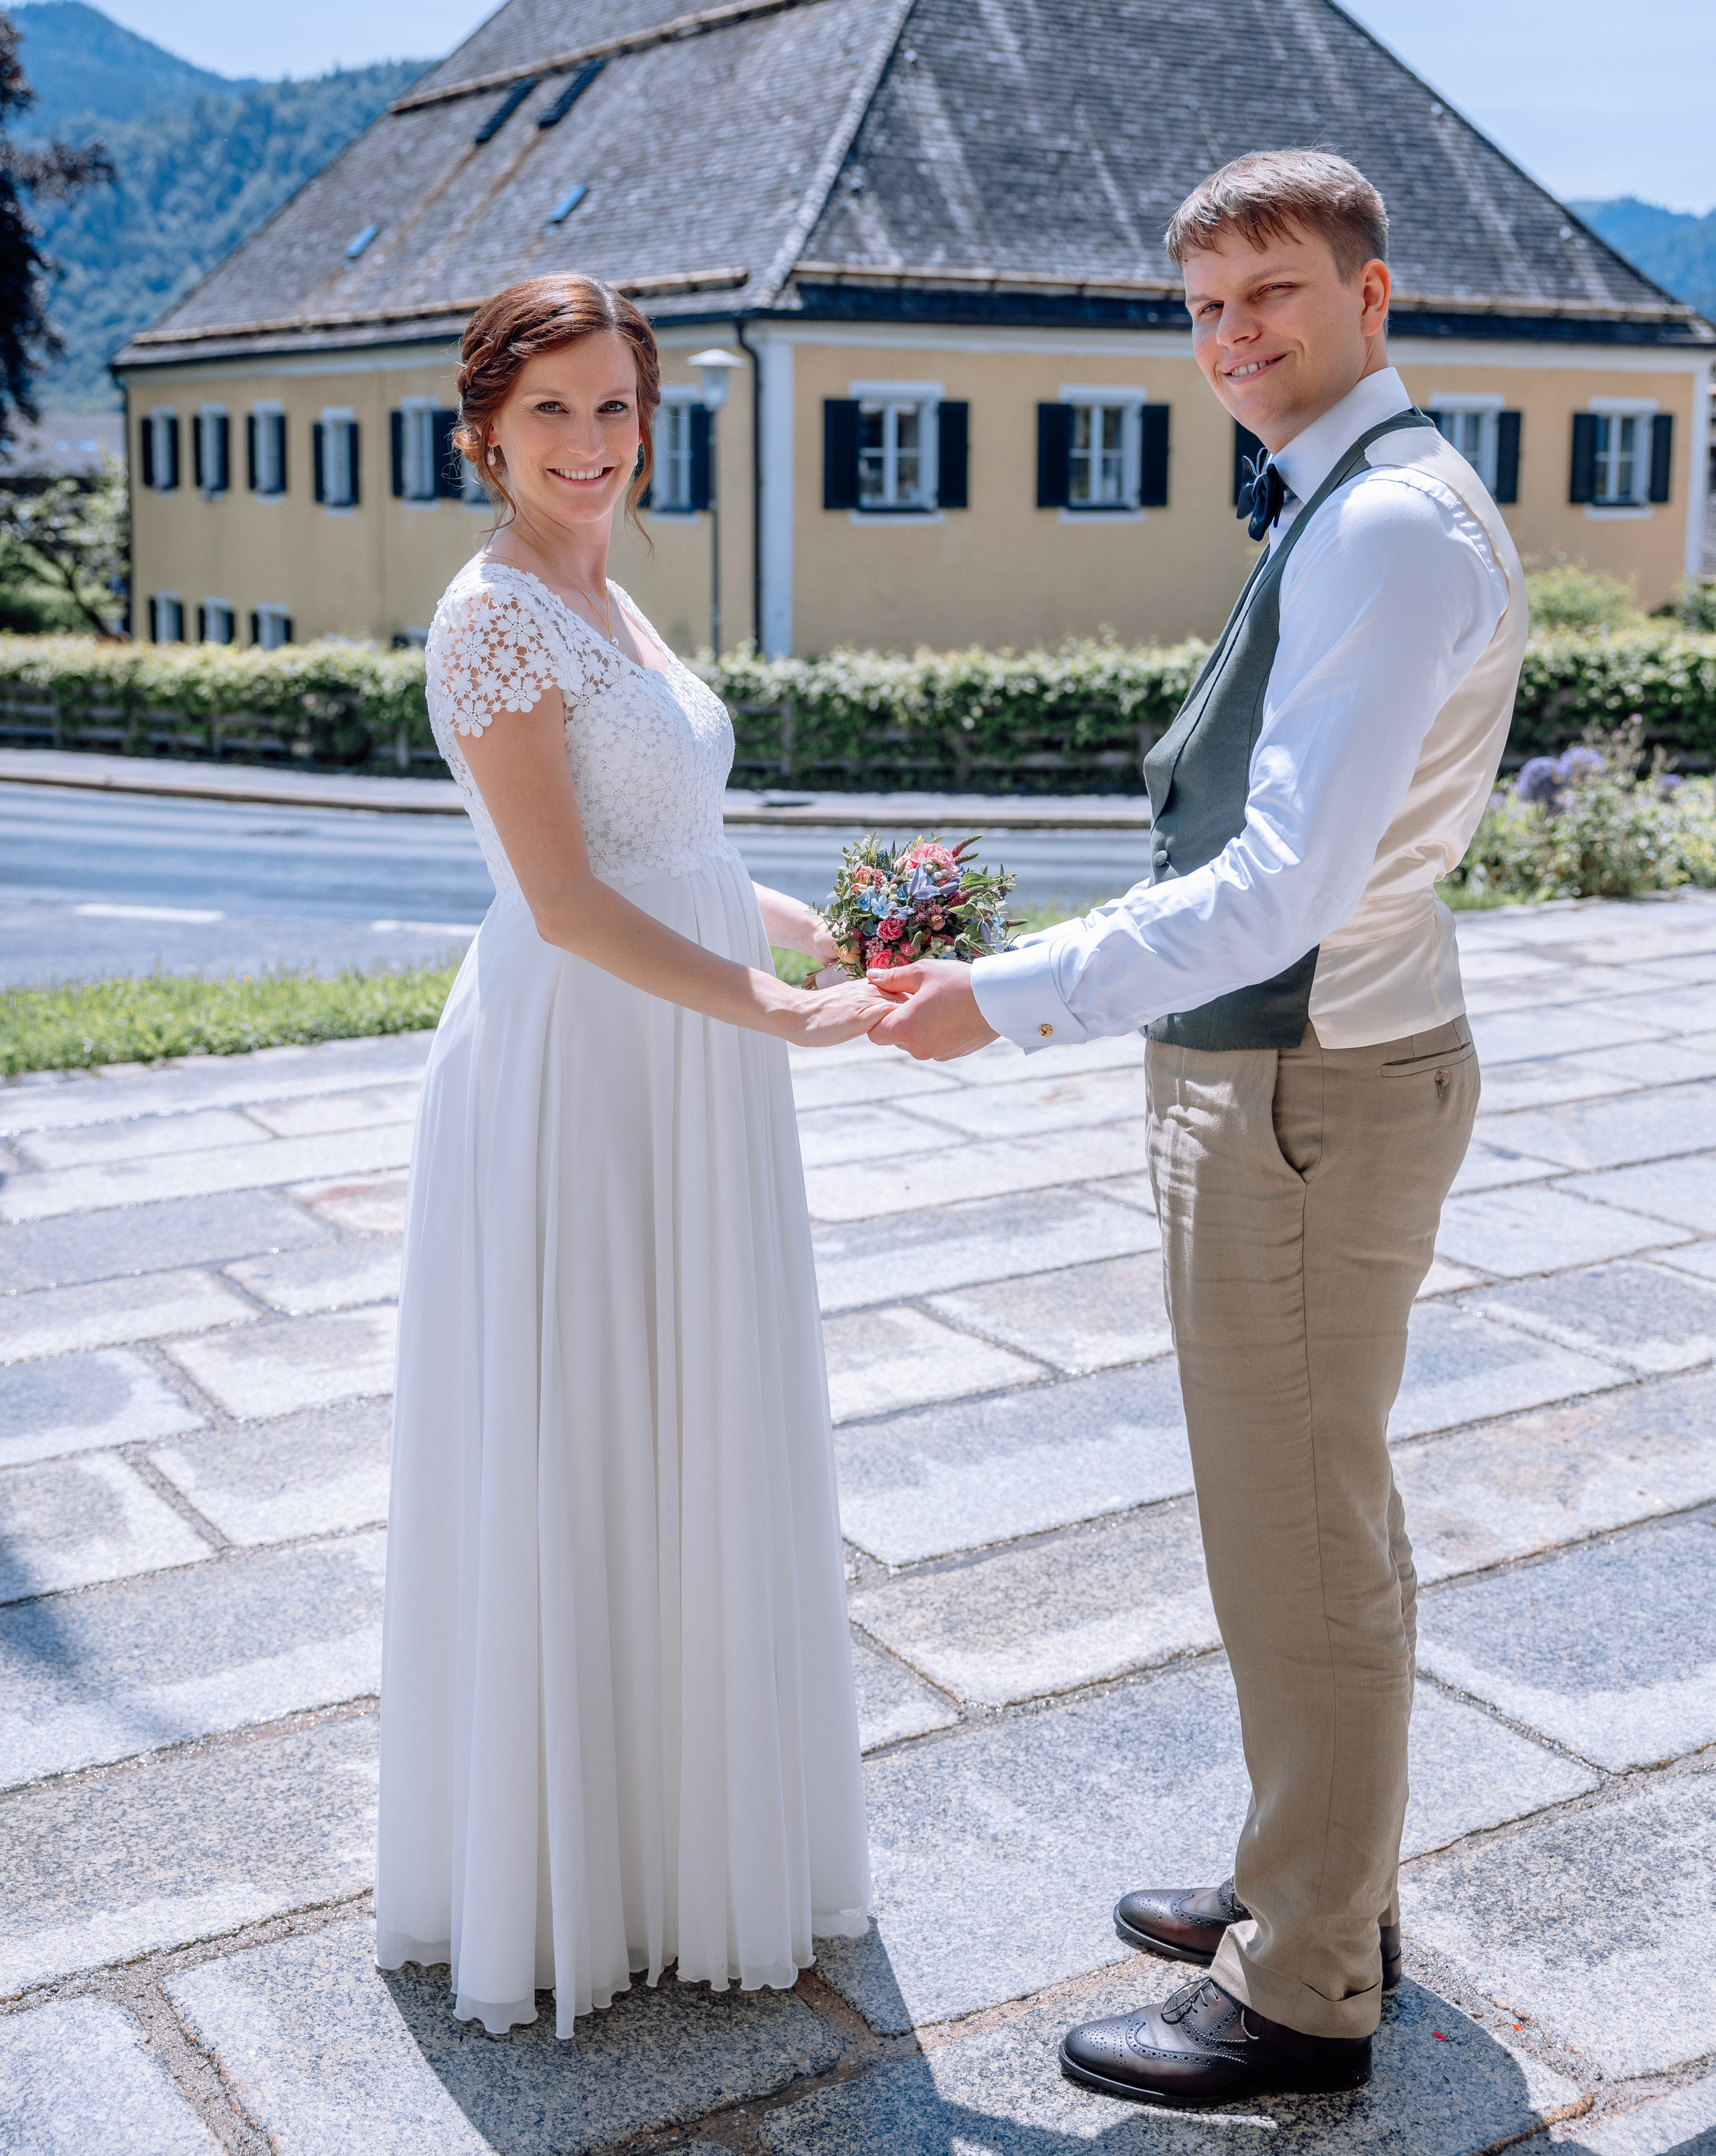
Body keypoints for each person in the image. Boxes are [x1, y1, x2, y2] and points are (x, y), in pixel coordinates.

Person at [869, 150, 1528, 2108]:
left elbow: (1278, 888)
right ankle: (1305, 1883)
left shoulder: (1383, 529)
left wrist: (1003, 996)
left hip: (1298, 1089)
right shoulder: (1356, 499)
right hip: (1298, 1074)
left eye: (1276, 297)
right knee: (1312, 1524)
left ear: (1372, 298)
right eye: (1206, 307)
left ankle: (1309, 1990)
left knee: (1300, 1546)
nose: (1235, 339)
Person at [376, 274, 882, 2037]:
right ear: (485, 436)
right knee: (592, 1422)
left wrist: (820, 934)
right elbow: (571, 903)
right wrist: (773, 1009)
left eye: (615, 410)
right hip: (586, 1066)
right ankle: (586, 1867)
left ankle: (687, 1837)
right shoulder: (494, 618)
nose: (590, 446)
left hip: (690, 1041)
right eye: (551, 418)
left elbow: (664, 843)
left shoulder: (605, 586)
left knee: (693, 1421)